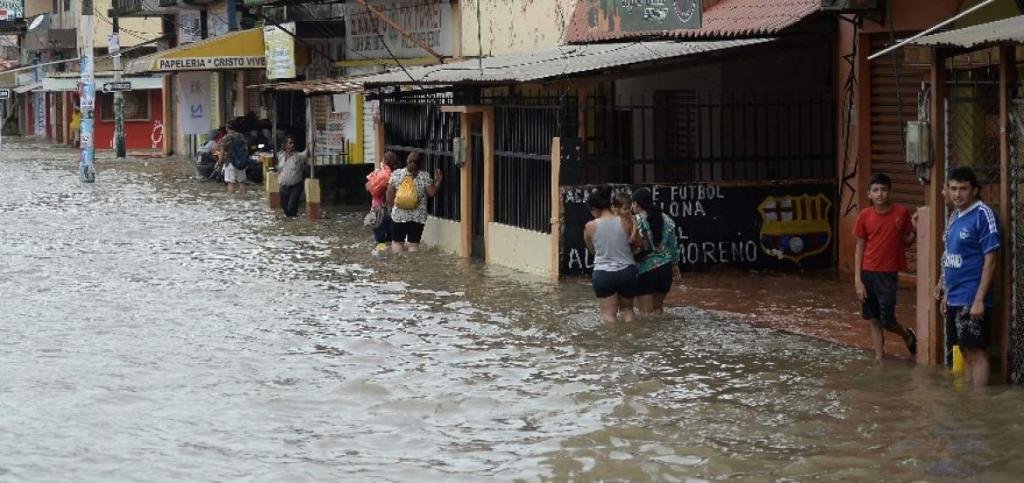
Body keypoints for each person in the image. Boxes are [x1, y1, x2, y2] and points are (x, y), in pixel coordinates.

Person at [943, 166, 1000, 386]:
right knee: (965, 352)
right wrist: (945, 290)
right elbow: (950, 255)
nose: (957, 194)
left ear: (974, 190)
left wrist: (978, 299)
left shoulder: (983, 214)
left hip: (972, 295)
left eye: (963, 189)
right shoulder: (955, 216)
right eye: (953, 188)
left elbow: (991, 258)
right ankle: (969, 407)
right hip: (955, 296)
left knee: (976, 352)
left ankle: (980, 406)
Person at [854, 173, 918, 361]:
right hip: (867, 273)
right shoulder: (864, 216)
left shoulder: (901, 213)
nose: (880, 194)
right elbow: (859, 246)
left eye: (883, 189)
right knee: (873, 320)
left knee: (887, 320)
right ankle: (879, 359)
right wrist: (858, 280)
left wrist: (915, 229)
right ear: (869, 194)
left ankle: (907, 335)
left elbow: (906, 242)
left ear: (889, 192)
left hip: (888, 274)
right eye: (875, 190)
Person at [584, 185, 637, 324]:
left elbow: (591, 249)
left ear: (595, 208)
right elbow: (637, 244)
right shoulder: (625, 221)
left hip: (603, 273)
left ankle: (610, 344)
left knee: (608, 314)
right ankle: (632, 340)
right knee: (628, 309)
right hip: (626, 272)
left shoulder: (590, 227)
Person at [631, 187, 680, 315]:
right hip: (665, 269)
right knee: (658, 310)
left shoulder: (635, 221)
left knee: (645, 314)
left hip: (645, 270)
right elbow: (673, 246)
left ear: (636, 203)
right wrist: (675, 265)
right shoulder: (667, 219)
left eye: (632, 202)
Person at [386, 152, 442, 252]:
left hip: (399, 215)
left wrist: (391, 208)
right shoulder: (424, 176)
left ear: (407, 160)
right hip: (417, 217)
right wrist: (438, 181)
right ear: (420, 163)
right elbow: (432, 193)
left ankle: (398, 265)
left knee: (397, 243)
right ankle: (413, 264)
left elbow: (390, 193)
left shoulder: (397, 174)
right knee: (413, 244)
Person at [366, 151, 398, 254]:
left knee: (379, 239)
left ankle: (380, 258)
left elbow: (367, 186)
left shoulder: (378, 173)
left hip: (376, 210)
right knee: (391, 238)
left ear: (383, 161)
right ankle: (390, 257)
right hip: (390, 210)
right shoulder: (396, 175)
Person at [276, 134, 309, 217]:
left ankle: (294, 225)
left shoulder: (298, 156)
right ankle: (291, 225)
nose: (292, 145)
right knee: (285, 208)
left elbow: (307, 152)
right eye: (290, 143)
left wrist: (310, 143)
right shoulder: (280, 156)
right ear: (285, 145)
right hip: (283, 186)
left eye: (293, 143)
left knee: (291, 208)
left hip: (295, 186)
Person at [219, 120, 250, 194]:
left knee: (231, 182)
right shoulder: (241, 136)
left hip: (230, 162)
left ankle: (232, 201)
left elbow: (222, 151)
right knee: (242, 181)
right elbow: (246, 148)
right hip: (241, 162)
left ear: (227, 128)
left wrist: (220, 161)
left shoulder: (226, 137)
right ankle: (244, 198)